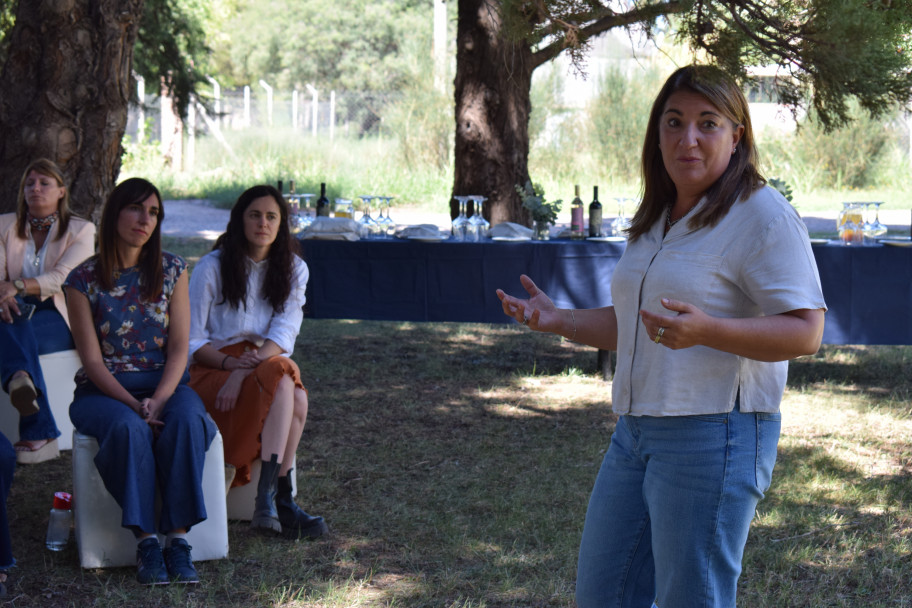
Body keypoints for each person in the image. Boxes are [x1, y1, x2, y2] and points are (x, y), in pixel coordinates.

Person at [496, 65, 826, 607]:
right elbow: (638, 325)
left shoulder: (763, 215)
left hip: (715, 435)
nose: (687, 138)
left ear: (737, 134)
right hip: (635, 433)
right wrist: (560, 320)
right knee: (604, 595)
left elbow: (806, 331)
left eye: (707, 123)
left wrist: (708, 331)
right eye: (673, 122)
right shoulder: (658, 213)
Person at [65, 178, 217, 585]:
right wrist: (136, 407)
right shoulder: (81, 280)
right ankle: (147, 542)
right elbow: (92, 362)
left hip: (168, 385)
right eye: (135, 208)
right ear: (114, 213)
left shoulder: (171, 270)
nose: (144, 219)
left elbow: (180, 347)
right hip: (104, 391)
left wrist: (162, 399)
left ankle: (178, 541)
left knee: (188, 421)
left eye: (153, 212)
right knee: (129, 429)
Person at [187, 184, 327, 540]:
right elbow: (191, 340)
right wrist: (228, 369)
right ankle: (278, 499)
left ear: (282, 224)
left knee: (284, 375)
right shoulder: (211, 267)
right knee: (293, 390)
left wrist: (244, 371)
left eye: (271, 216)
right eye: (254, 215)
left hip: (264, 361)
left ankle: (271, 500)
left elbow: (284, 334)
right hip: (212, 367)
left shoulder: (294, 269)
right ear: (239, 219)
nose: (262, 223)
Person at [0, 158, 95, 464]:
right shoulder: (4, 225)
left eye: (44, 183)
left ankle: (24, 391)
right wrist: (4, 293)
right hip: (11, 307)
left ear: (62, 192)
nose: (36, 189)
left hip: (62, 314)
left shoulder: (81, 229)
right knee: (13, 319)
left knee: (14, 328)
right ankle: (36, 419)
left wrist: (15, 284)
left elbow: (63, 279)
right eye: (29, 183)